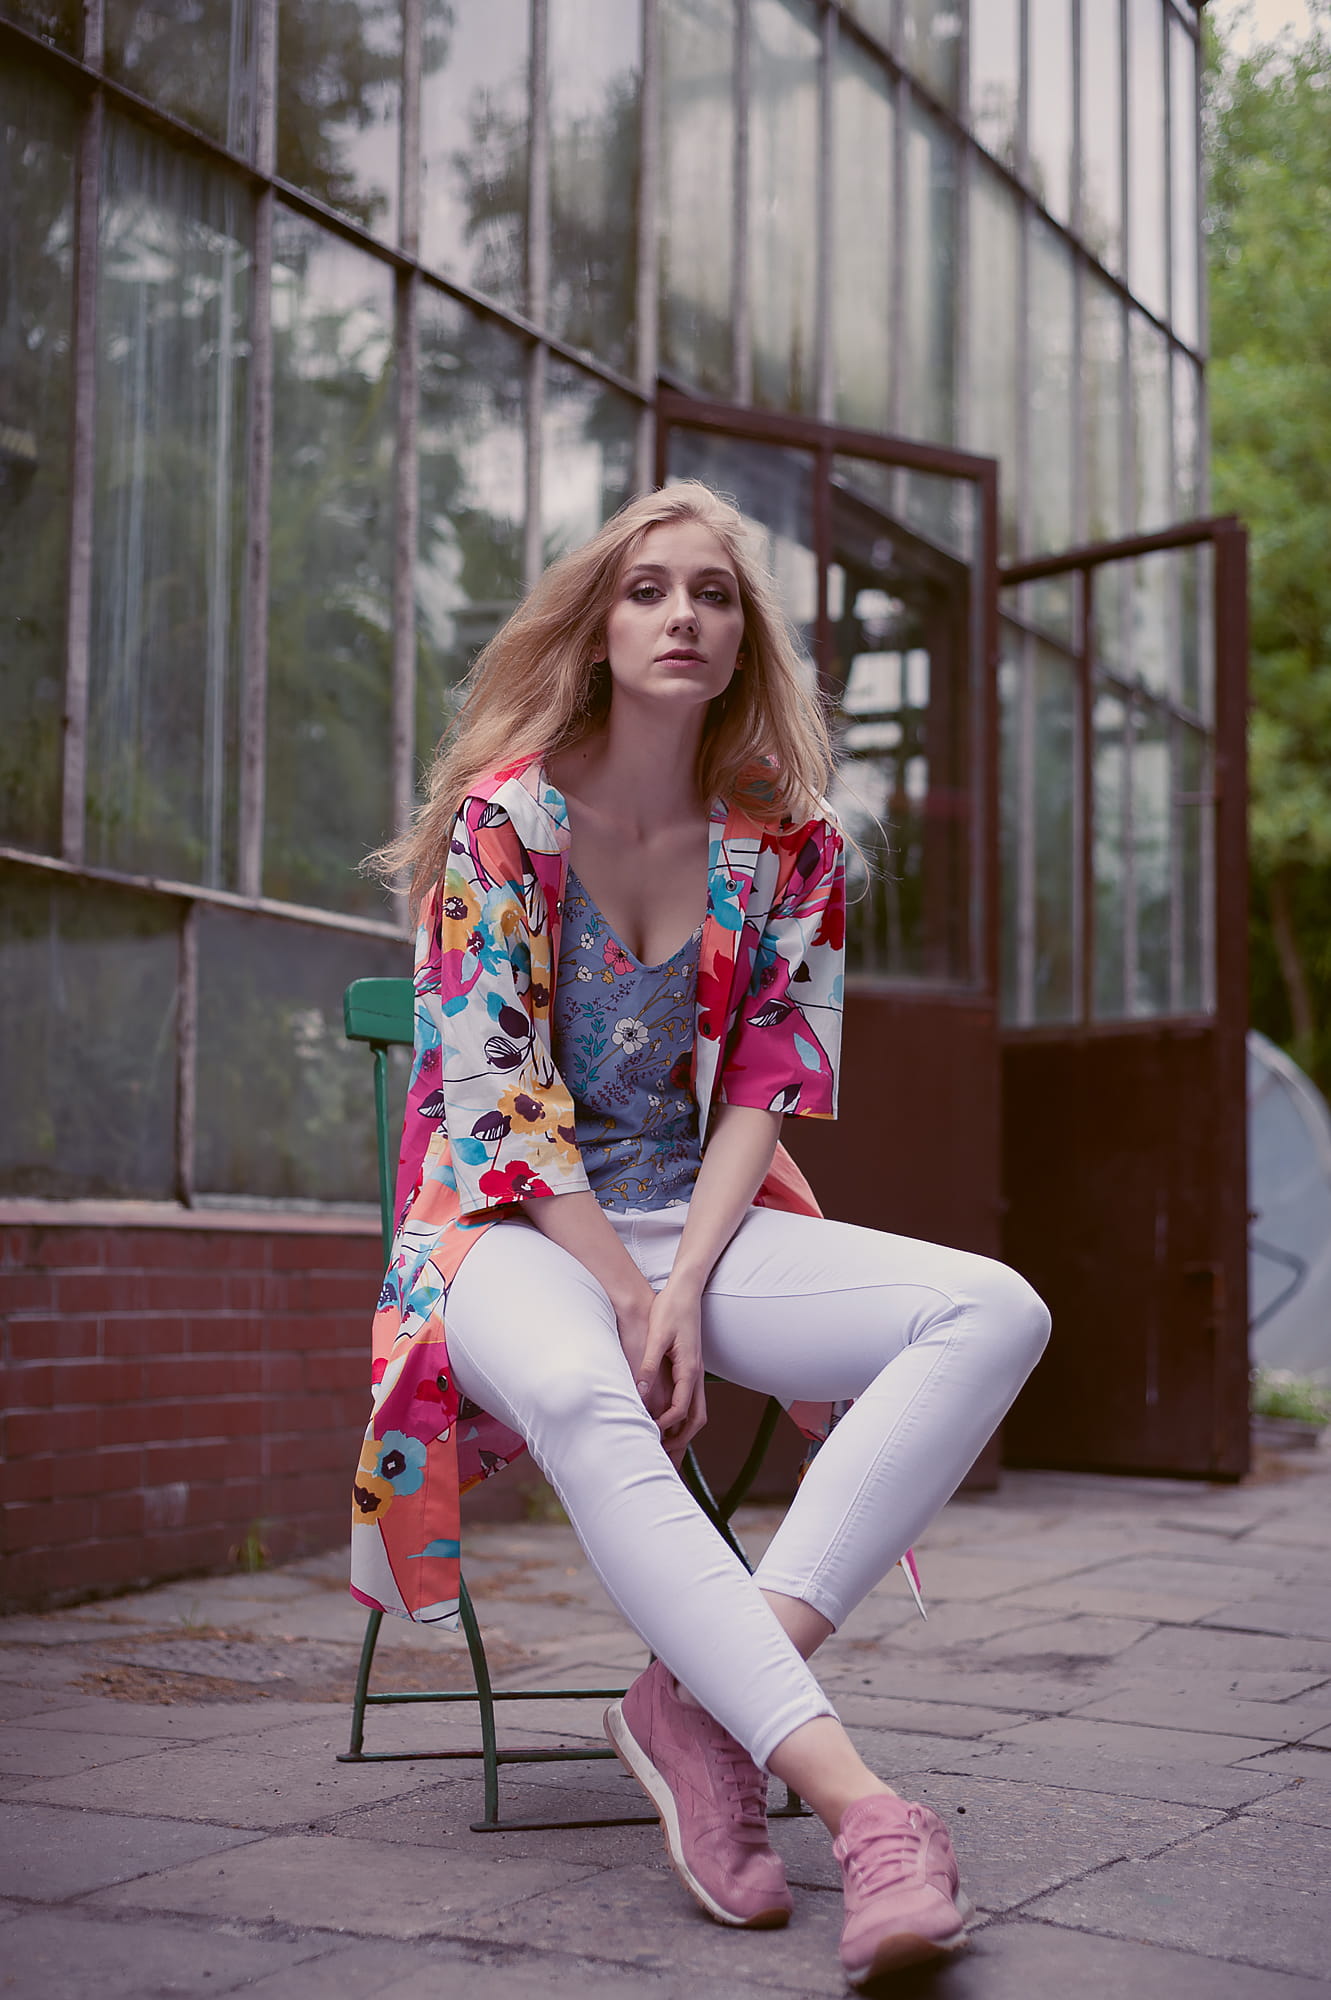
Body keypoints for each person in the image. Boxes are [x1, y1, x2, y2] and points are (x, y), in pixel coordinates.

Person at [353, 480, 1051, 1987]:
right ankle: (864, 1811)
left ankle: (694, 1701)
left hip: (698, 1213)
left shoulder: (789, 843)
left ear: (746, 641)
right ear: (598, 627)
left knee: (994, 1309)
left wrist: (683, 1286)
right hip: (504, 1225)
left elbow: (767, 1084)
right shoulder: (505, 820)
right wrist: (625, 1289)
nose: (684, 615)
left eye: (716, 594)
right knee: (587, 1384)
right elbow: (496, 1101)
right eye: (650, 589)